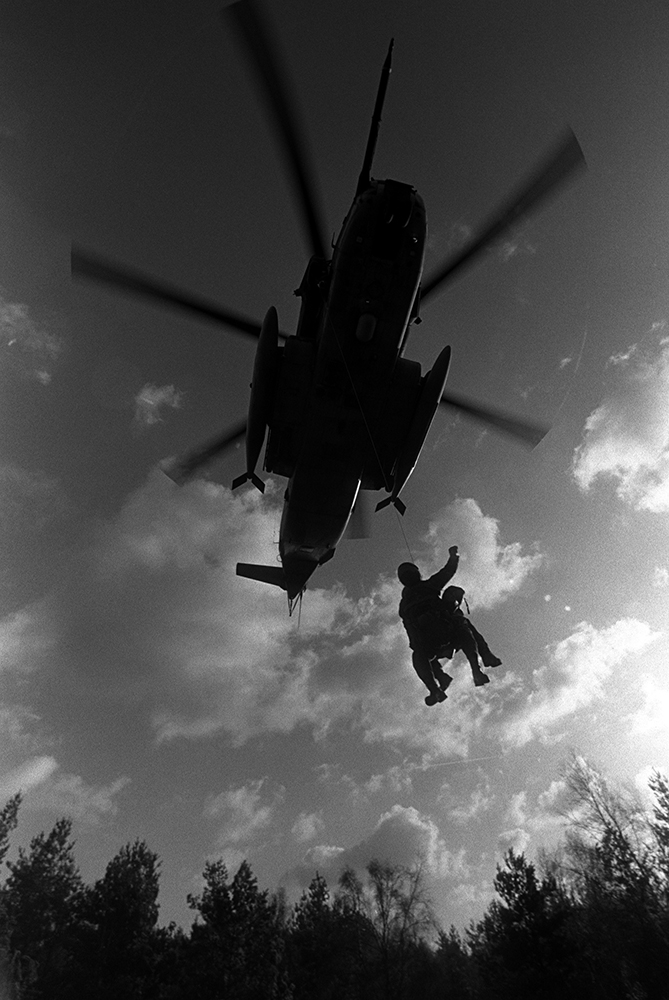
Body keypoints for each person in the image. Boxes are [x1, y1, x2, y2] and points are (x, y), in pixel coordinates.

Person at [398, 546, 491, 706]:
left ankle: (476, 668)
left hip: (447, 630)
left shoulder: (428, 587)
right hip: (429, 642)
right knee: (418, 657)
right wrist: (416, 645)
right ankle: (435, 688)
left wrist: (453, 557)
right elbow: (409, 627)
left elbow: (447, 572)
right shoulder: (405, 604)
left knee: (463, 628)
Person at [440, 585, 502, 670]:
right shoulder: (439, 607)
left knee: (468, 629)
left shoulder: (456, 613)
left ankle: (486, 655)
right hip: (440, 636)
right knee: (465, 627)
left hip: (451, 639)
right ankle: (485, 656)